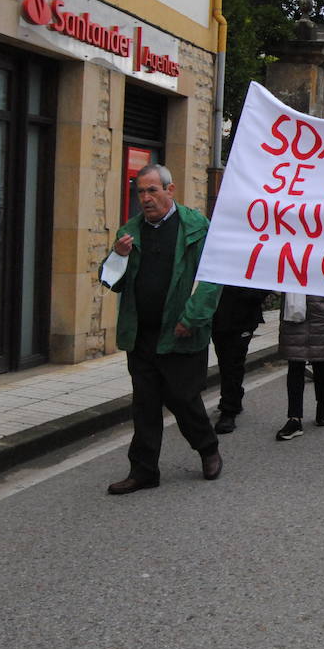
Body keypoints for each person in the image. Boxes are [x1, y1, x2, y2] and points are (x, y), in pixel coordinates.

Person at [100, 164, 222, 494]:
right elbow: (111, 280)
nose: (146, 198)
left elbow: (212, 280)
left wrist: (192, 318)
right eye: (140, 192)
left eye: (152, 190)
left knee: (183, 399)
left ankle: (208, 447)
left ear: (170, 191)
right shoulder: (130, 232)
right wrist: (118, 255)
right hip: (141, 334)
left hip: (181, 330)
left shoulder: (196, 228)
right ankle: (143, 471)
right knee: (145, 404)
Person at [274, 293, 324, 440]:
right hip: (293, 312)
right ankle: (294, 418)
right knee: (294, 364)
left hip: (322, 315)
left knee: (321, 362)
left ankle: (322, 403)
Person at [210, 286, 269, 434]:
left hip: (244, 316)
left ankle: (229, 410)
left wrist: (252, 296)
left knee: (234, 361)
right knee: (224, 361)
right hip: (218, 316)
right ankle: (234, 395)